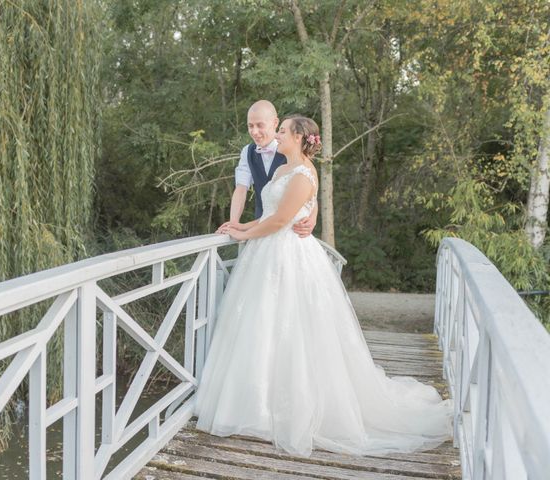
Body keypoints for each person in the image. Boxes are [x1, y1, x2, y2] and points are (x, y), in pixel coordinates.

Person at [194, 115, 452, 457]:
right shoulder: (283, 169)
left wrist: (243, 234)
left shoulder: (303, 174)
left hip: (287, 256)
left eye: (283, 131)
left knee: (291, 330)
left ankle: (285, 411)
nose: (278, 135)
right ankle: (254, 407)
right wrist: (239, 225)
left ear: (300, 137)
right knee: (260, 328)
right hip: (265, 256)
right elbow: (269, 213)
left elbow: (282, 221)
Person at [216, 100, 317, 238]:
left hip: (291, 231)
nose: (254, 131)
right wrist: (234, 223)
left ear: (275, 123)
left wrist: (313, 216)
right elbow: (240, 189)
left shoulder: (291, 150)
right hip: (258, 225)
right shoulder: (248, 152)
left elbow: (308, 189)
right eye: (250, 126)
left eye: (260, 125)